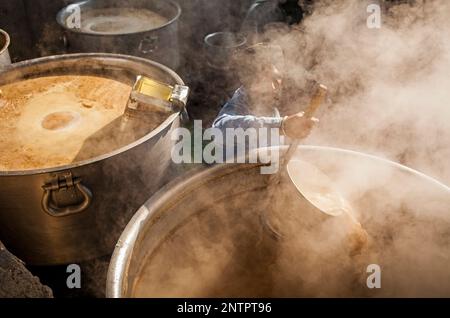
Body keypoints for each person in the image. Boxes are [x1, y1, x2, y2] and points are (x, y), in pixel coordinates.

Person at [212, 43, 319, 157]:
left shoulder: (272, 110)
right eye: (263, 79)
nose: (272, 87)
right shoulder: (237, 106)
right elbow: (219, 129)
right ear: (248, 82)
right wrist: (281, 126)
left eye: (276, 78)